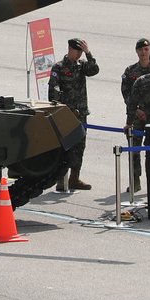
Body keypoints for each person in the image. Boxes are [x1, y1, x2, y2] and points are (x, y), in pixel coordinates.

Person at [47, 38, 99, 191]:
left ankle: (74, 178)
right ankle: (61, 179)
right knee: (65, 146)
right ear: (69, 49)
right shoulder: (59, 67)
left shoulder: (82, 65)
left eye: (81, 52)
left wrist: (89, 53)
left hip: (81, 112)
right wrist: (60, 104)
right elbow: (53, 88)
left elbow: (94, 70)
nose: (79, 54)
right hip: (66, 113)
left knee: (79, 146)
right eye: (77, 51)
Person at [120, 38, 150, 192]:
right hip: (135, 116)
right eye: (141, 50)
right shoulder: (130, 71)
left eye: (146, 49)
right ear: (136, 51)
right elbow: (126, 93)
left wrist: (148, 112)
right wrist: (137, 110)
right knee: (134, 149)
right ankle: (135, 181)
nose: (143, 52)